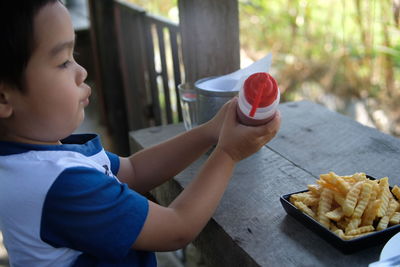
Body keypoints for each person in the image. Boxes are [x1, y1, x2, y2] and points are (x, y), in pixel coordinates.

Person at [0, 1, 281, 266]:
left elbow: (133, 170)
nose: (82, 71)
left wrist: (211, 131)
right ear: (3, 98)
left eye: (75, 57)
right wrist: (229, 153)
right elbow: (176, 228)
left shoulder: (37, 160)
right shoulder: (60, 186)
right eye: (63, 61)